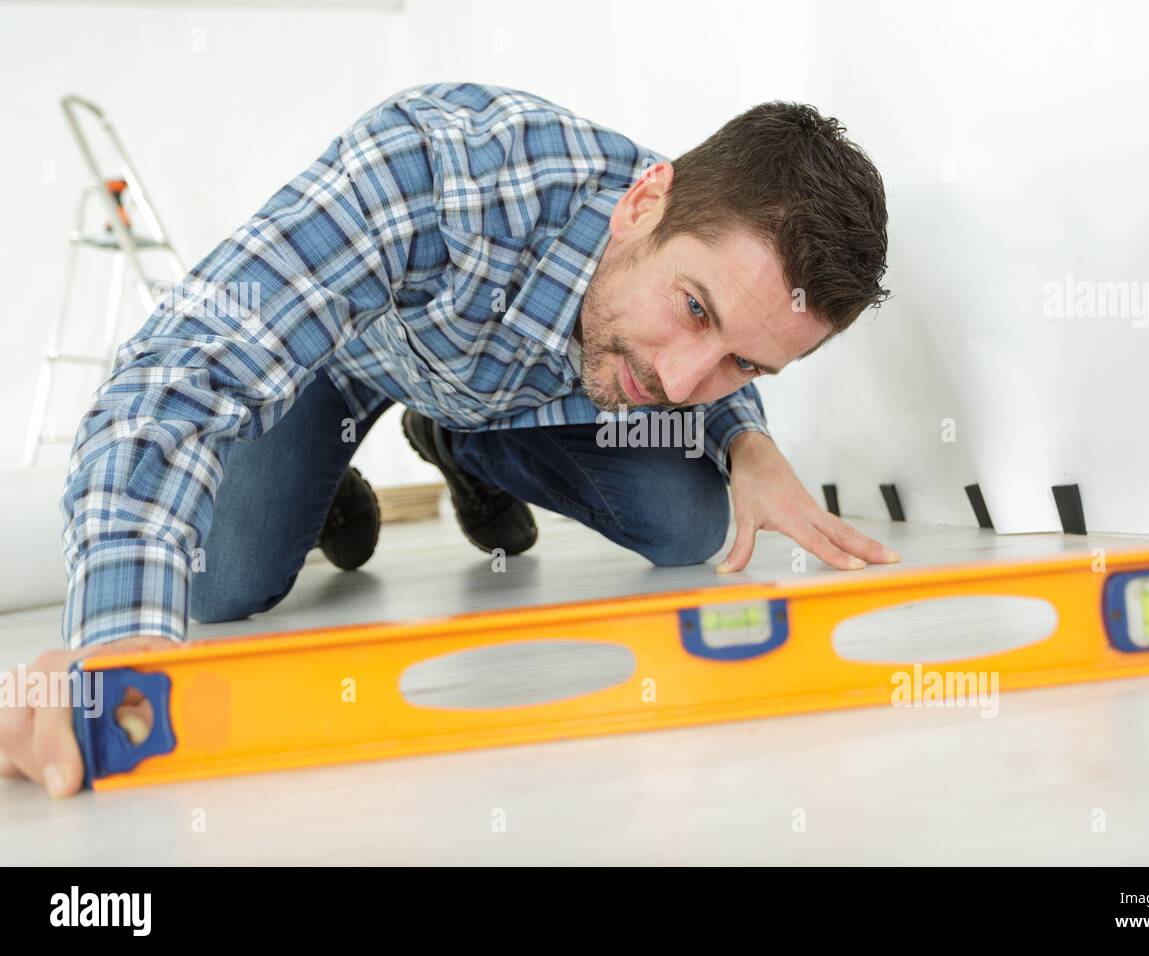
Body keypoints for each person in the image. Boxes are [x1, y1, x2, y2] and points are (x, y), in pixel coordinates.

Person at [1, 82, 896, 797]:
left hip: (514, 397)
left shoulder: (677, 333)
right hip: (341, 366)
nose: (686, 383)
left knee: (696, 528)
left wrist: (747, 444)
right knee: (218, 583)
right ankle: (326, 483)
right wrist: (115, 646)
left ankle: (455, 441)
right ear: (644, 202)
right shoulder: (434, 169)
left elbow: (713, 361)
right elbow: (179, 376)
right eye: (692, 308)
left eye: (746, 366)